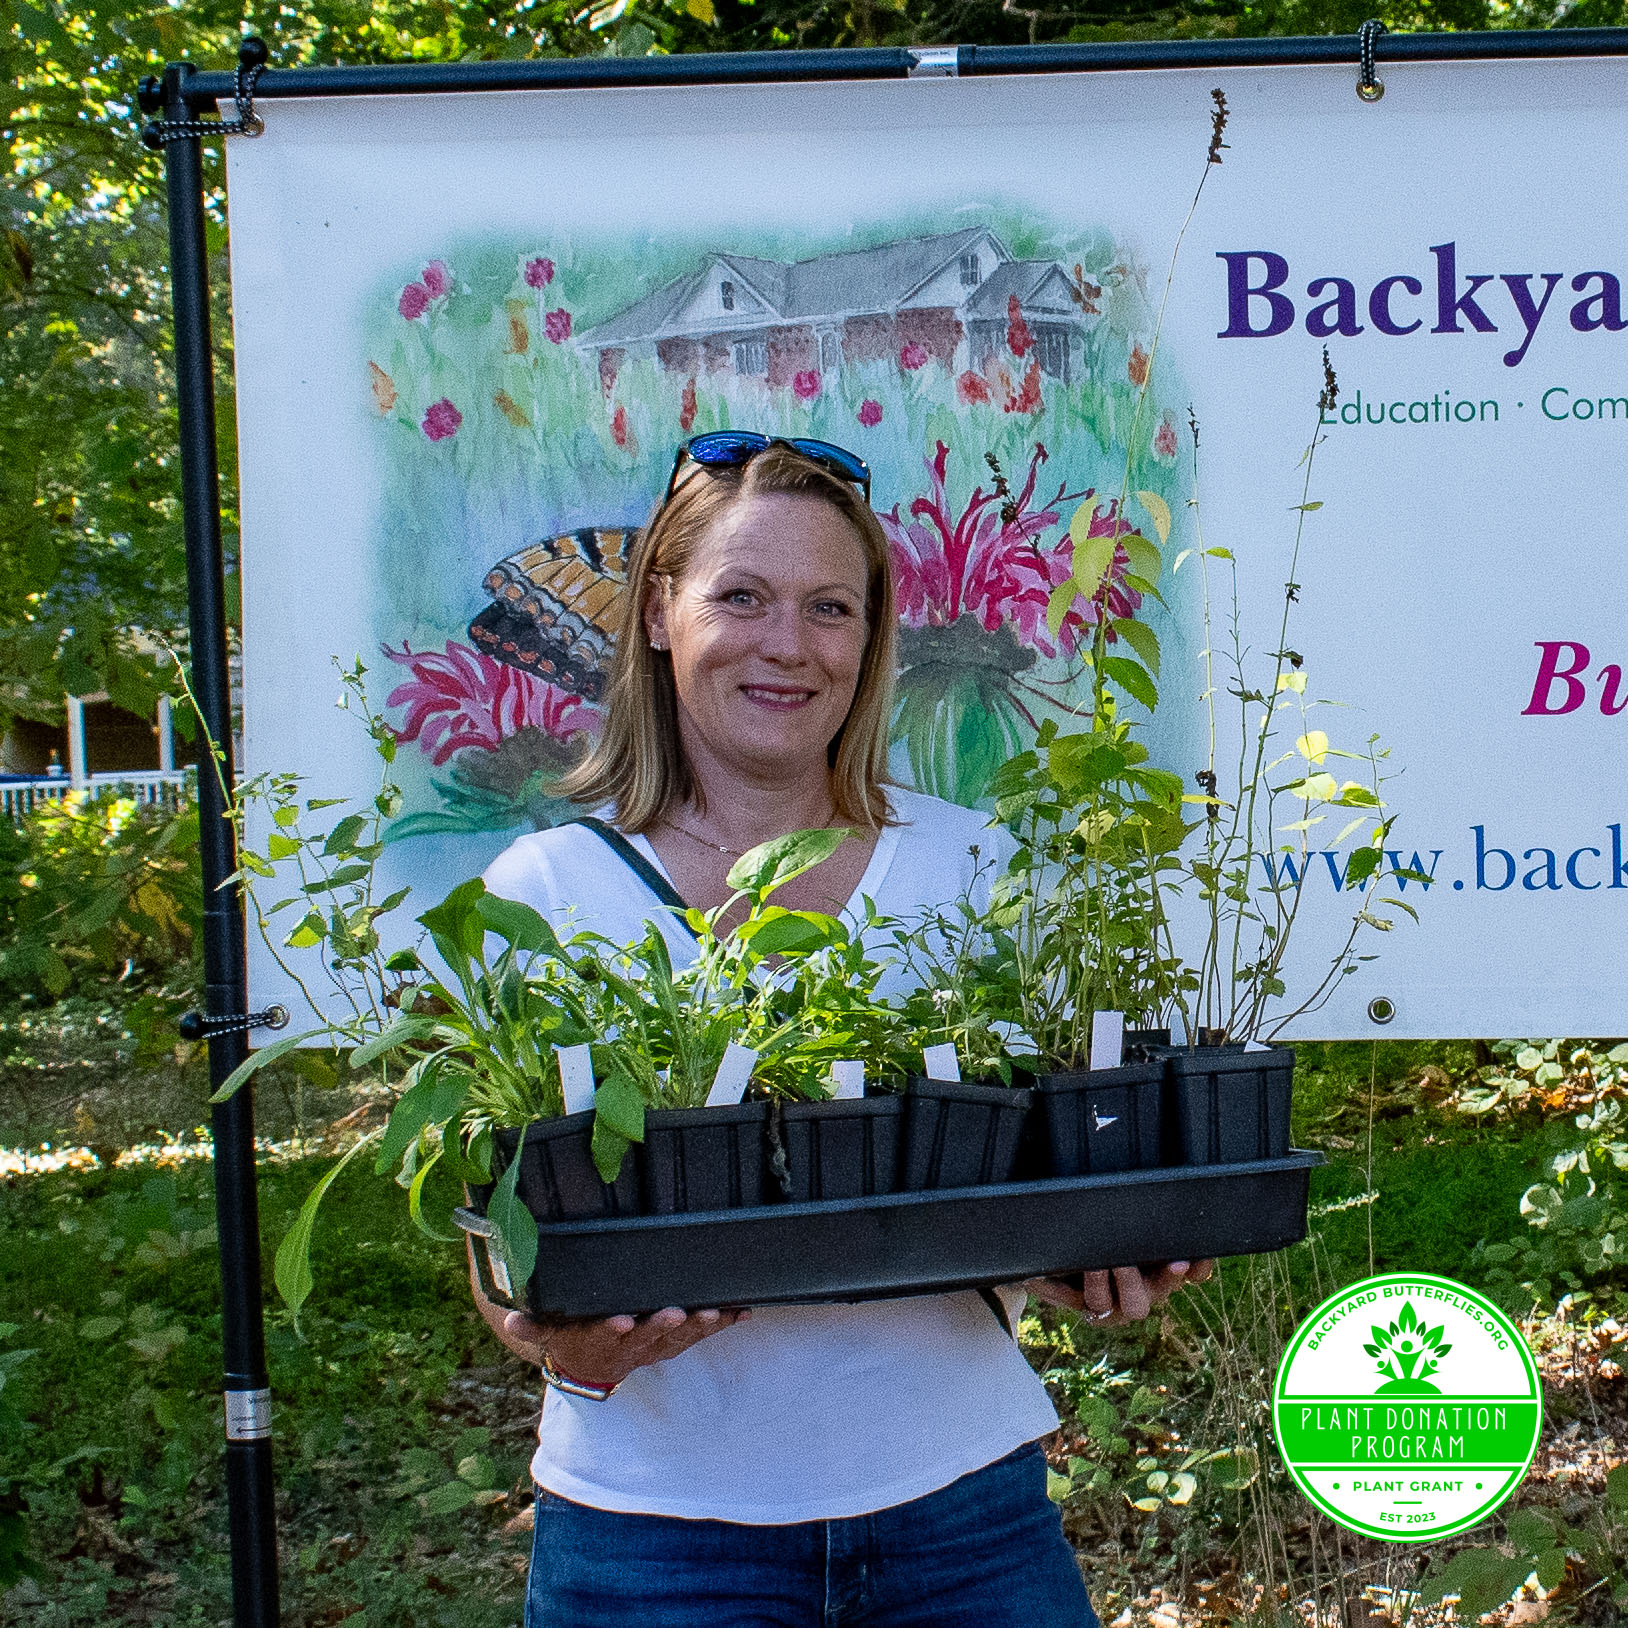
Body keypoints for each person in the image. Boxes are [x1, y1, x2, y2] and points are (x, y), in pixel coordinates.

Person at [472, 432, 1209, 1628]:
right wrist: (545, 1334)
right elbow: (496, 1225)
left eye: (830, 606)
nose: (786, 643)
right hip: (653, 1543)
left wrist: (1106, 1249)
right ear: (660, 612)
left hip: (962, 1519)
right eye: (741, 597)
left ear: (869, 642)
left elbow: (1046, 1163)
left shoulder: (975, 865)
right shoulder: (545, 891)